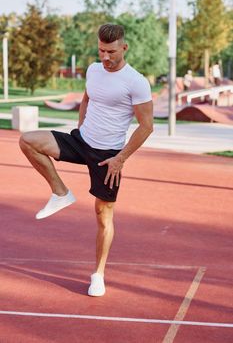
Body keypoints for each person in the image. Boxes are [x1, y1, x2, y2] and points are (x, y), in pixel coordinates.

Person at [19, 23, 153, 297]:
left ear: (124, 48)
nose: (105, 57)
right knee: (28, 140)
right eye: (101, 50)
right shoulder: (93, 70)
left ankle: (98, 274)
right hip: (81, 141)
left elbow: (146, 126)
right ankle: (60, 192)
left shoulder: (136, 81)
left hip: (108, 156)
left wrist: (120, 159)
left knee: (103, 215)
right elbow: (86, 99)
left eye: (111, 52)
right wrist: (80, 126)